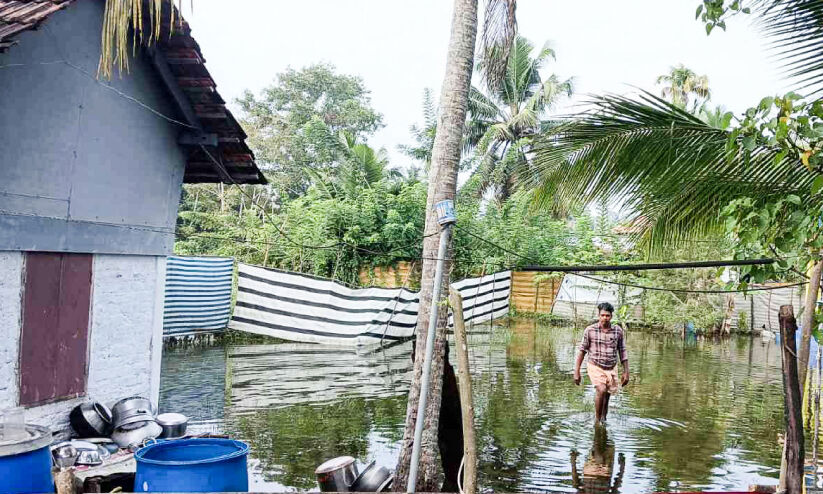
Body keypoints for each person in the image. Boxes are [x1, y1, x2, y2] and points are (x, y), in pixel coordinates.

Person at [573, 302, 630, 425]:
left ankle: (604, 419)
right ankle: (597, 421)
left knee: (607, 394)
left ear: (611, 316)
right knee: (601, 389)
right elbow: (582, 350)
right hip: (595, 365)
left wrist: (626, 372)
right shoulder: (590, 330)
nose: (605, 318)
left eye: (607, 316)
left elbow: (622, 351)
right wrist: (576, 371)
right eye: (602, 315)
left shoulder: (617, 331)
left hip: (611, 367)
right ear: (598, 315)